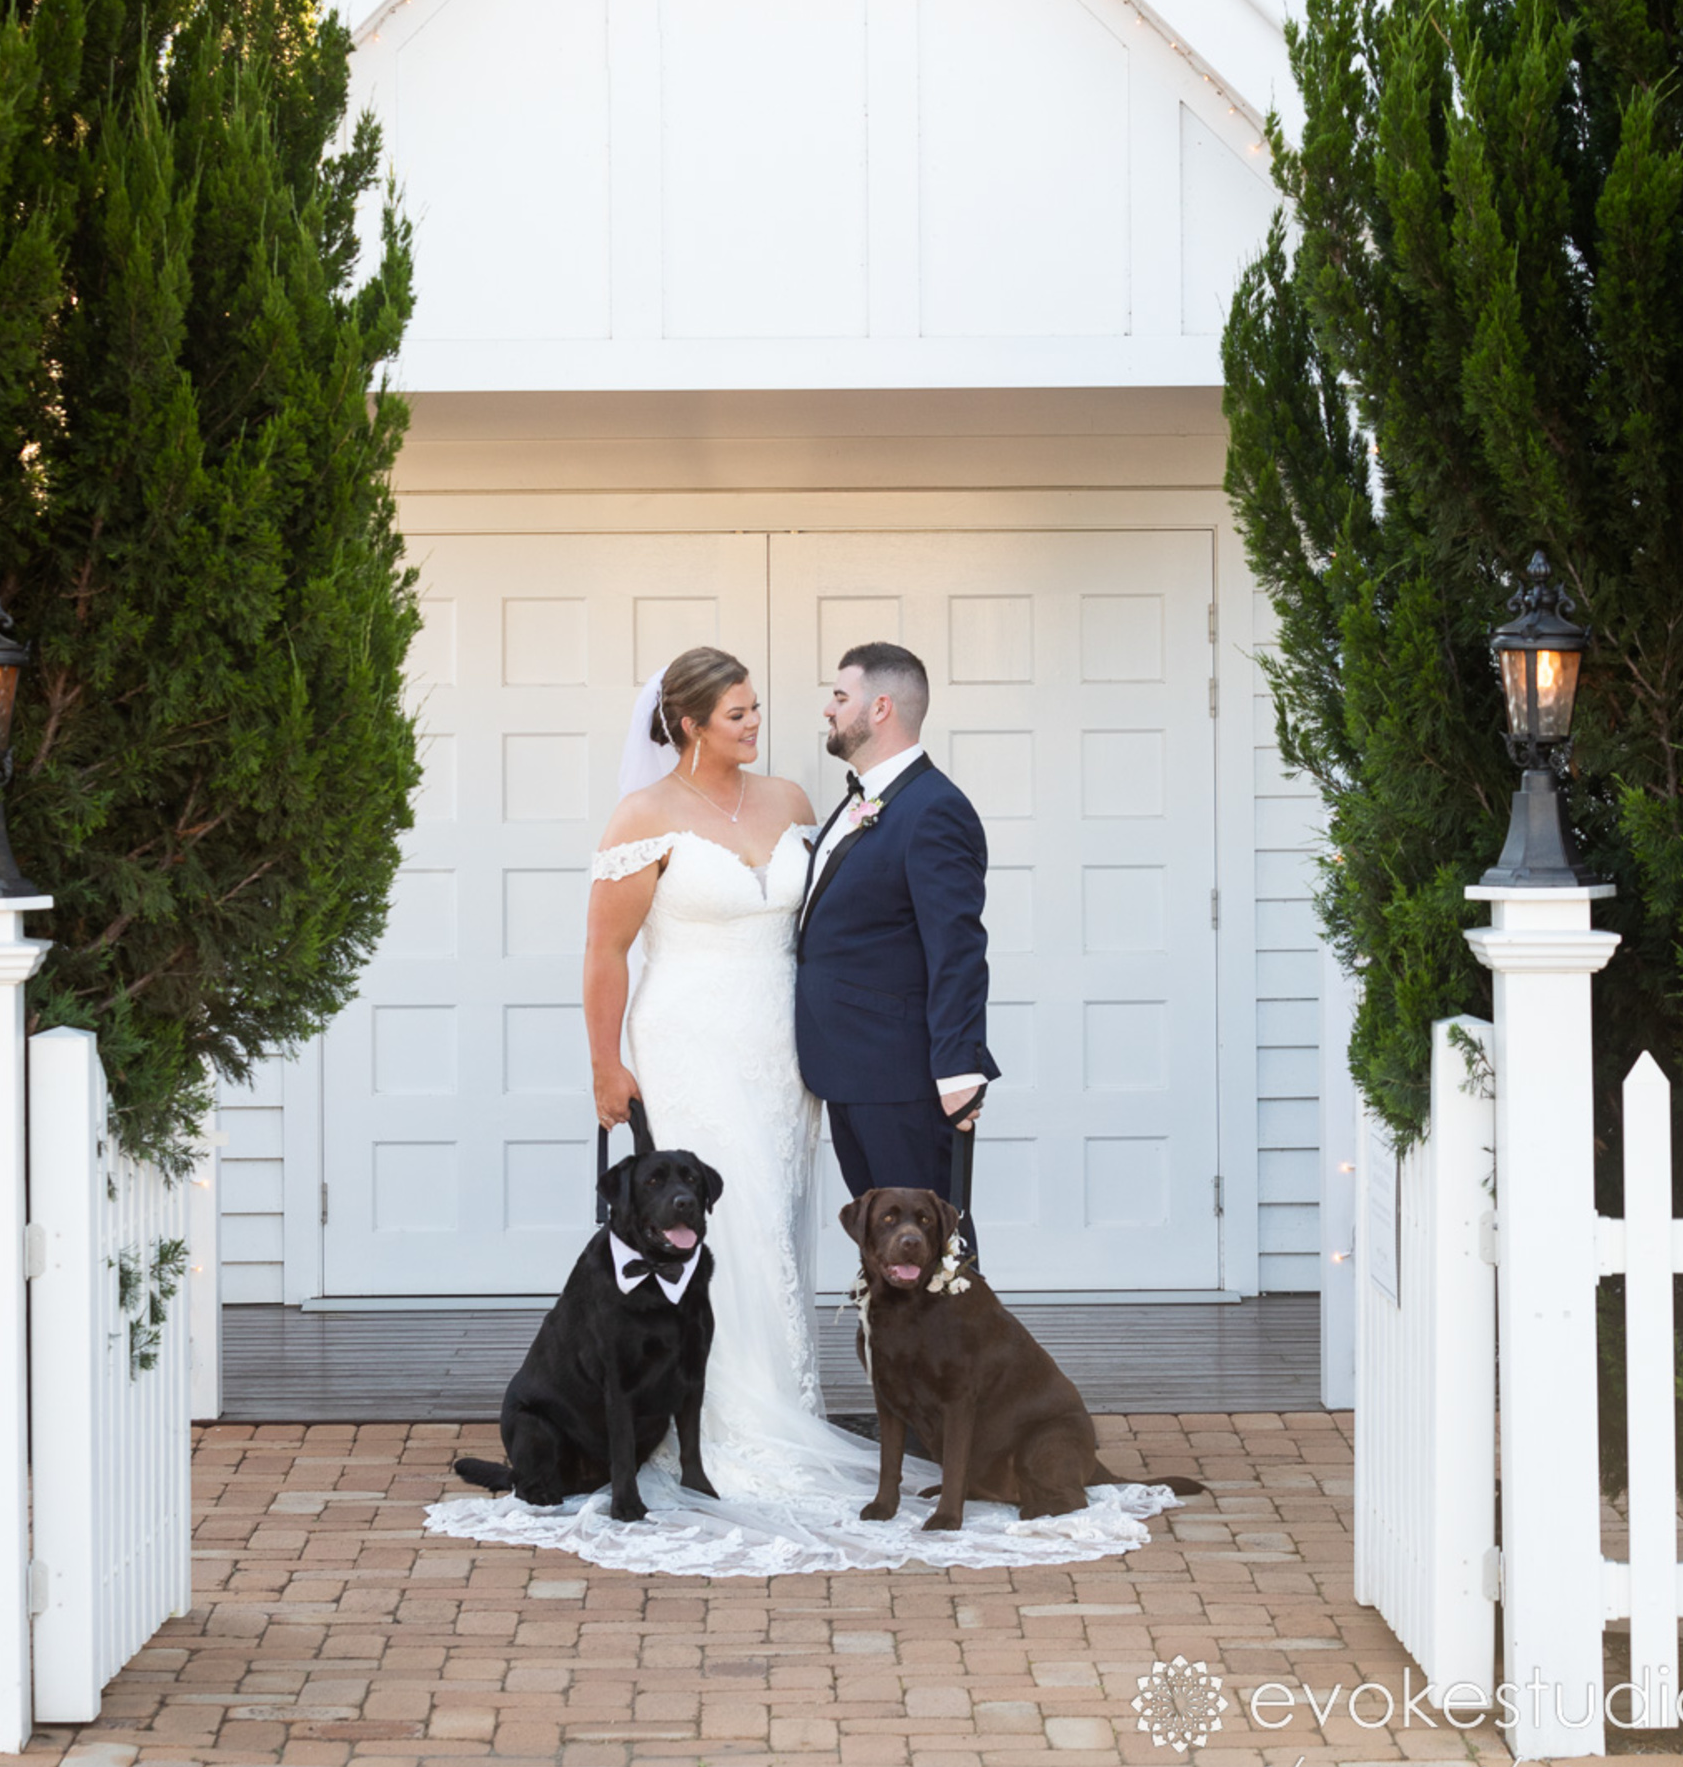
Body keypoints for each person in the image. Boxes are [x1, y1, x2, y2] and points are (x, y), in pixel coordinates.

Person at [423, 644, 1176, 1577]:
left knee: (774, 1239)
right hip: (688, 1045)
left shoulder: (797, 804)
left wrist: (946, 1055)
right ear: (690, 723)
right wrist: (603, 1063)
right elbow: (604, 953)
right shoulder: (643, 815)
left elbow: (868, 929)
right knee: (711, 1243)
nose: (757, 722)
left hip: (785, 1064)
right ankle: (712, 1434)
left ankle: (784, 1408)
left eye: (758, 708)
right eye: (737, 712)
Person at [794, 643, 998, 1249]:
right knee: (887, 1256)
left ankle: (952, 1348)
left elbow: (957, 945)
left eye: (839, 696)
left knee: (931, 1250)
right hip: (851, 1070)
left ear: (880, 707)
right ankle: (895, 1349)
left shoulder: (934, 809)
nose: (828, 710)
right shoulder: (864, 800)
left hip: (903, 1077)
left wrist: (960, 1066)